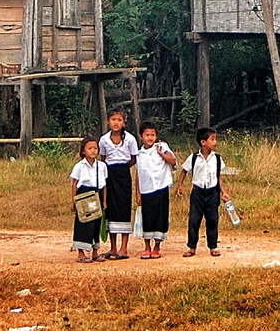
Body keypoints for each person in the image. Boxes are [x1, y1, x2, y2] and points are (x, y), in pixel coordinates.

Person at [180, 127, 230, 257]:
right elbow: (184, 170)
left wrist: (224, 192)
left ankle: (213, 246)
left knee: (212, 220)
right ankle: (192, 247)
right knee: (194, 220)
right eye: (212, 139)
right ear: (203, 142)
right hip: (197, 193)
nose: (215, 142)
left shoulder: (217, 159)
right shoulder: (194, 158)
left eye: (215, 139)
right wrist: (180, 185)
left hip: (213, 193)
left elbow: (218, 177)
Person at [97, 108, 138, 260]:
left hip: (124, 174)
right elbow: (103, 157)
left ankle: (124, 247)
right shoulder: (104, 140)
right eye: (113, 119)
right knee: (111, 209)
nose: (116, 123)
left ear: (124, 122)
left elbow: (134, 158)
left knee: (123, 207)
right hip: (109, 174)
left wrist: (123, 168)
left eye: (119, 120)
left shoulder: (130, 139)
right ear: (108, 122)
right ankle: (113, 247)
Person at [133, 120, 177, 258]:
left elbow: (173, 161)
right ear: (141, 136)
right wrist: (137, 192)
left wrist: (162, 154)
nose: (150, 137)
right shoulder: (139, 154)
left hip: (161, 187)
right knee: (147, 218)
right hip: (146, 190)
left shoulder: (161, 147)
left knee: (160, 217)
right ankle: (147, 246)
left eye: (152, 135)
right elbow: (138, 174)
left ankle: (157, 247)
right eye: (147, 135)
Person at [69, 137, 109, 263]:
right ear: (83, 151)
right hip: (83, 195)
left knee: (96, 223)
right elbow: (74, 183)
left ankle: (95, 252)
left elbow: (104, 185)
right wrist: (73, 201)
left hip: (97, 194)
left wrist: (104, 201)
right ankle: (80, 253)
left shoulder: (101, 166)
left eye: (95, 148)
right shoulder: (79, 166)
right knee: (83, 223)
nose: (93, 151)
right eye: (89, 148)